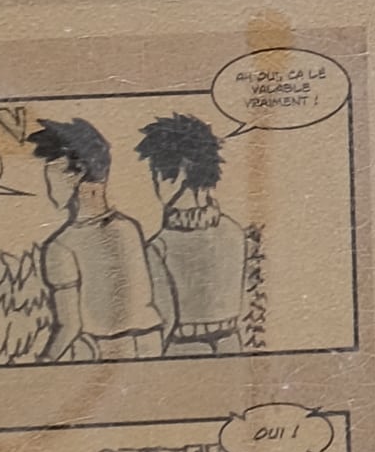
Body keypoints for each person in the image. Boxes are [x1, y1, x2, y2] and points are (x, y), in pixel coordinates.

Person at [25, 116, 162, 356]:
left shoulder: (62, 246)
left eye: (52, 172)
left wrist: (43, 365)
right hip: (152, 342)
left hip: (106, 351)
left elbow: (69, 326)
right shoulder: (129, 228)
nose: (48, 184)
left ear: (77, 174)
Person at [137, 113, 258, 350]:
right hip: (232, 344)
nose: (155, 182)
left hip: (182, 348)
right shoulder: (234, 231)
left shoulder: (159, 246)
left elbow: (166, 319)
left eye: (157, 173)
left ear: (177, 175)